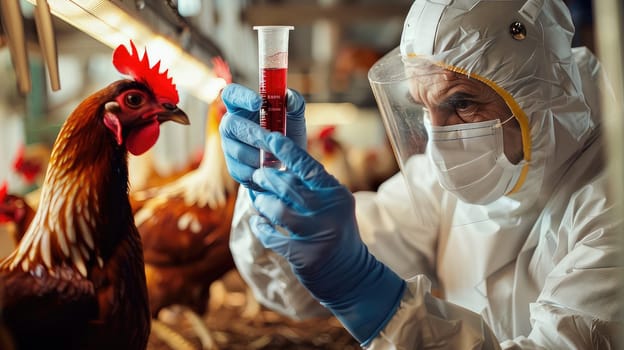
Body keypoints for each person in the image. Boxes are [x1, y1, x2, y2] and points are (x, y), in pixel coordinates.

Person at [219, 0, 623, 348]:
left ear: (538, 92)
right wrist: (271, 193)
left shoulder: (611, 203)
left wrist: (368, 296)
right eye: (422, 107)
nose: (439, 139)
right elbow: (292, 291)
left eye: (461, 103)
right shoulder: (444, 177)